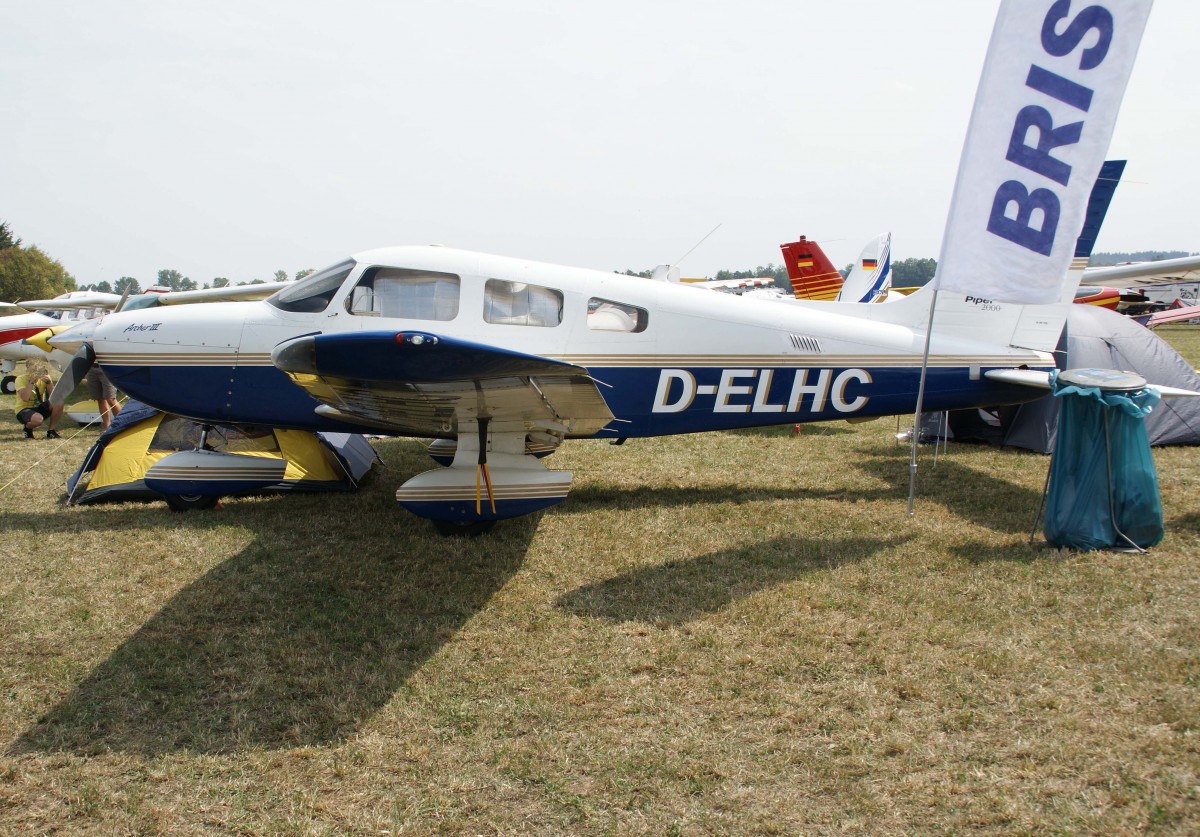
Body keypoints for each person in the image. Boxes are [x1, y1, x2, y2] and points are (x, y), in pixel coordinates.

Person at [14, 362, 63, 440]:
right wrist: (31, 381)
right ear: (29, 371)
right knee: (38, 420)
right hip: (23, 409)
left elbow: (54, 397)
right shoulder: (20, 379)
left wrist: (49, 382)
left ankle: (51, 431)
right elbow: (25, 398)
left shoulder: (45, 378)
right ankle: (27, 428)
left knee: (59, 402)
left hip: (38, 407)